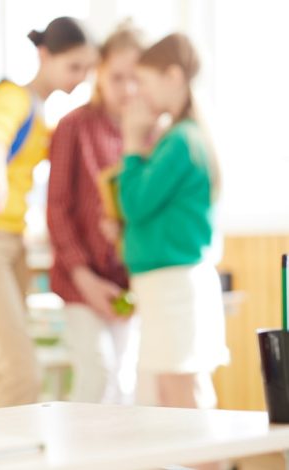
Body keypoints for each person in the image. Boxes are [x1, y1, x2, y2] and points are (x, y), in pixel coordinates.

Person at [0, 16, 97, 407]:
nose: (80, 78)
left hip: (11, 241)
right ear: (44, 56)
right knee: (21, 371)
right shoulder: (13, 97)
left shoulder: (42, 113)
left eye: (87, 69)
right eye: (73, 66)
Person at [116, 33, 229, 409]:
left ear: (173, 77)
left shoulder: (181, 140)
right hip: (166, 285)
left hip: (174, 285)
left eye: (144, 81)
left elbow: (135, 203)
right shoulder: (179, 137)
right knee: (171, 394)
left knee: (181, 393)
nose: (139, 93)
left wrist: (132, 143)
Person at [46, 23, 144, 404]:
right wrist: (84, 277)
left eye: (136, 78)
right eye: (117, 77)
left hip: (126, 283)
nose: (127, 88)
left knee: (124, 380)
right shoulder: (73, 127)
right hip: (79, 280)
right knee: (98, 372)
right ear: (99, 72)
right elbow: (57, 209)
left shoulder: (148, 135)